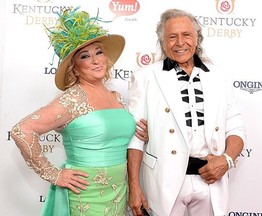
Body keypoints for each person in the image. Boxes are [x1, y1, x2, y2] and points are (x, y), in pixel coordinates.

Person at [11, 8, 148, 216]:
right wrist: (54, 174)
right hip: (85, 193)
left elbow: (121, 139)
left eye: (99, 52)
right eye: (85, 56)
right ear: (74, 68)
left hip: (119, 191)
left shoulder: (116, 97)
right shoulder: (72, 99)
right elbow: (22, 131)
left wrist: (143, 134)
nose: (95, 60)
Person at [127, 8, 246, 216]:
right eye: (172, 37)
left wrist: (226, 160)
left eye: (186, 35)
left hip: (210, 178)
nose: (180, 42)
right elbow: (135, 138)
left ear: (197, 38)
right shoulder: (145, 77)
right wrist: (134, 186)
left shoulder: (220, 76)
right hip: (164, 180)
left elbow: (236, 127)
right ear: (162, 42)